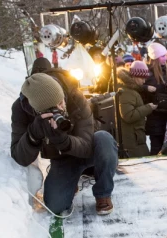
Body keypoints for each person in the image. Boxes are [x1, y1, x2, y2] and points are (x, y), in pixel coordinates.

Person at [11, 72, 118, 215]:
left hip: (89, 150)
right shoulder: (21, 110)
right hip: (62, 159)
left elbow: (86, 146)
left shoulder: (74, 97)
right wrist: (33, 134)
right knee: (55, 206)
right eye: (53, 109)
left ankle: (103, 194)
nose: (60, 109)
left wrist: (63, 141)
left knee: (104, 138)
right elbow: (20, 157)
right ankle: (71, 181)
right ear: (39, 112)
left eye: (61, 102)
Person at [117, 63, 156, 158]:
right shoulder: (127, 91)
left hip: (135, 137)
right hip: (132, 139)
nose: (144, 81)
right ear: (135, 77)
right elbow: (128, 115)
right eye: (142, 78)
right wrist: (148, 108)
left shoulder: (130, 90)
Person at [143, 42, 167, 155]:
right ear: (155, 58)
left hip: (165, 113)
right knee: (156, 146)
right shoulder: (148, 72)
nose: (165, 58)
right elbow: (138, 87)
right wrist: (146, 88)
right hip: (155, 115)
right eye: (162, 56)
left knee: (166, 145)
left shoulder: (166, 70)